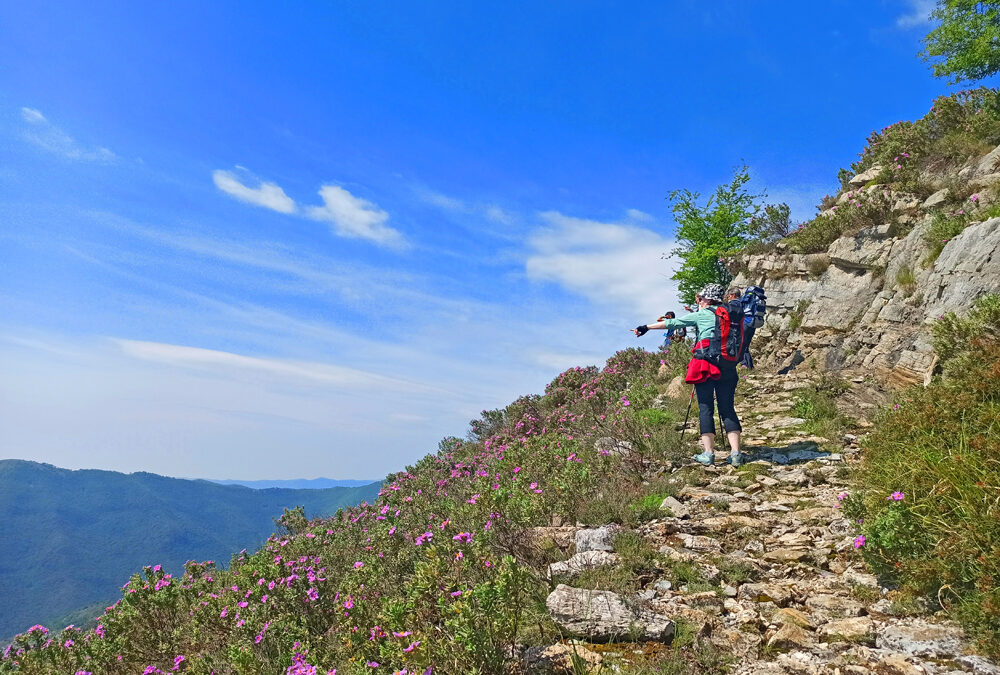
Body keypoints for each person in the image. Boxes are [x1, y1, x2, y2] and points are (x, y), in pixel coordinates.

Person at [632, 283, 745, 467]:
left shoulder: (703, 314)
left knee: (706, 407)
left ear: (707, 299)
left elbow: (672, 323)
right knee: (727, 408)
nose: (700, 301)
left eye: (701, 298)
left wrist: (646, 327)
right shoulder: (731, 313)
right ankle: (736, 453)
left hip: (706, 365)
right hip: (728, 365)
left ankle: (708, 453)